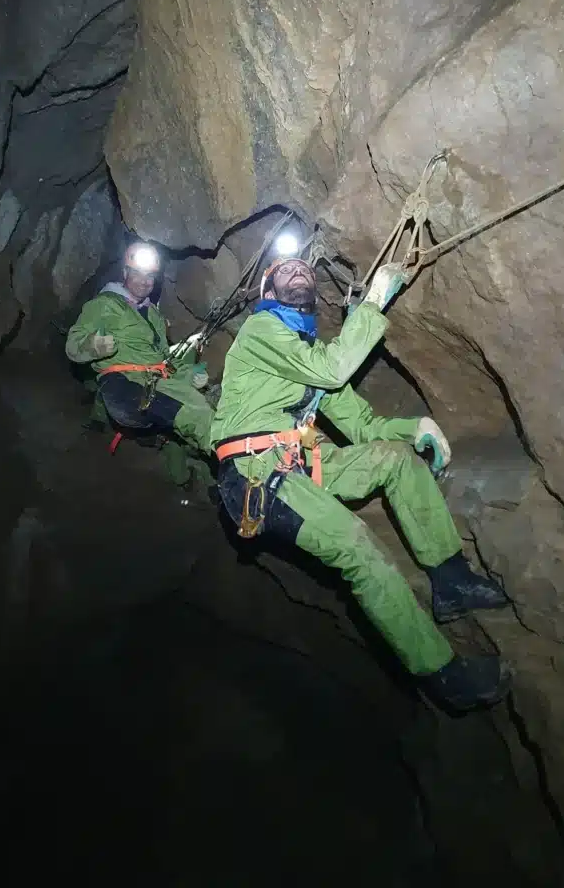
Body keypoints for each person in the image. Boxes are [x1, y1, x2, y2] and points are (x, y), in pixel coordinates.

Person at [210, 251, 512, 711]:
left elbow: (362, 424)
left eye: (306, 271)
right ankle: (443, 676)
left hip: (298, 464)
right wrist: (373, 303)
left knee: (392, 459)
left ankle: (451, 580)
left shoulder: (312, 357)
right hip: (255, 473)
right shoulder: (260, 331)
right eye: (286, 270)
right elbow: (334, 369)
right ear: (267, 292)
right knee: (357, 547)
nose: (300, 273)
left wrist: (414, 429)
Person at [66, 242, 215, 487]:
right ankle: (242, 465)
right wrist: (93, 345)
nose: (145, 281)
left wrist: (190, 374)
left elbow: (163, 360)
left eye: (150, 276)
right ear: (125, 273)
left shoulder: (154, 315)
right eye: (138, 273)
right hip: (126, 385)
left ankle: (202, 475)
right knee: (196, 416)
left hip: (157, 381)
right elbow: (73, 345)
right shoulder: (105, 305)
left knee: (205, 405)